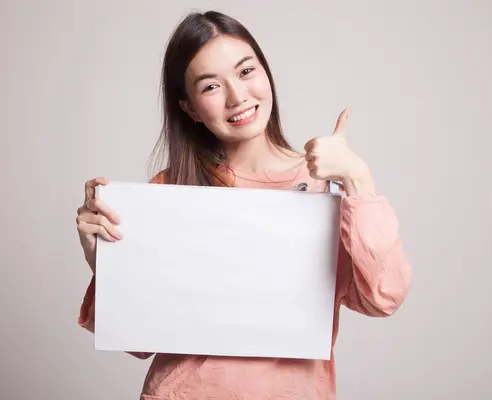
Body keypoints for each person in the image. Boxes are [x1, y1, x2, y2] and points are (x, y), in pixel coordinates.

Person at [75, 10, 412, 400]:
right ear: (189, 108)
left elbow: (382, 297)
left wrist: (357, 178)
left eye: (246, 71)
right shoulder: (171, 189)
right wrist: (102, 258)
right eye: (211, 87)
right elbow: (138, 340)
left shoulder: (327, 185)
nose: (238, 97)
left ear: (265, 73)